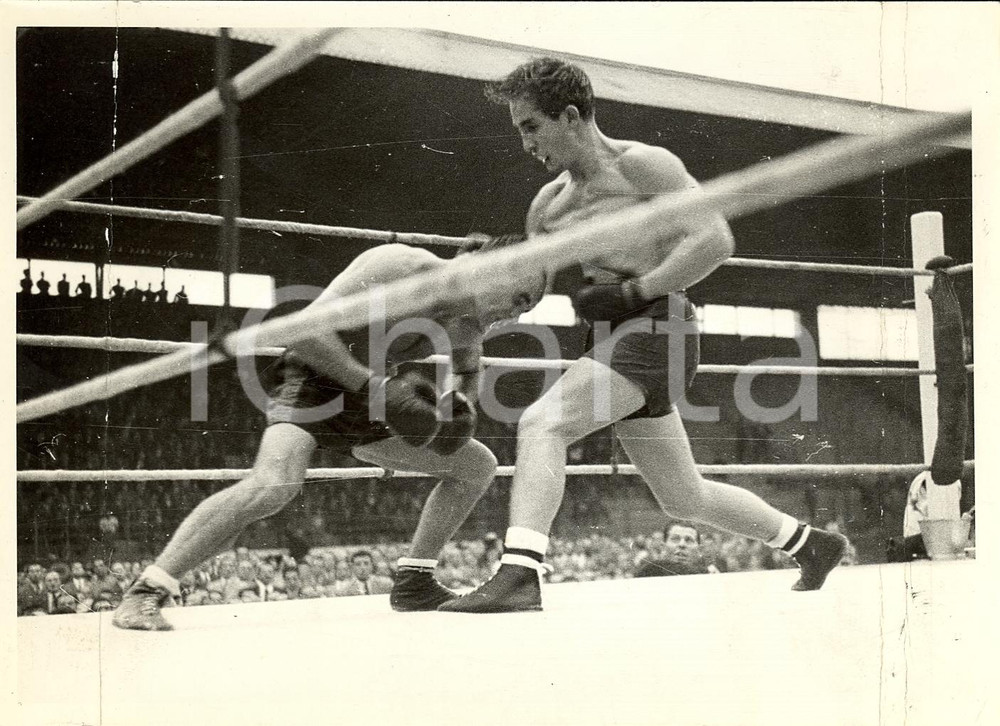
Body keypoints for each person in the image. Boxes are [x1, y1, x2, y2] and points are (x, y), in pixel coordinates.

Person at [440, 58, 847, 614]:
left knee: (544, 421)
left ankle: (521, 572)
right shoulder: (547, 206)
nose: (525, 142)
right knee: (683, 495)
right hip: (609, 339)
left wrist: (637, 290)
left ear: (570, 115)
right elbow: (527, 291)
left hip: (660, 325)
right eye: (518, 130)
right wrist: (475, 310)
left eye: (531, 126)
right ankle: (814, 544)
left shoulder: (644, 167)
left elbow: (714, 238)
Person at [112, 239, 545, 630]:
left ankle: (415, 580)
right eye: (520, 298)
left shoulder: (468, 322)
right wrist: (376, 390)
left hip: (372, 394)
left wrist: (460, 405)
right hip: (316, 376)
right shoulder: (401, 266)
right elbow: (306, 329)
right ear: (497, 266)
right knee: (272, 486)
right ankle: (147, 590)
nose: (517, 315)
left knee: (475, 465)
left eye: (527, 310)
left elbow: (469, 369)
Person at [634, 521, 711, 578]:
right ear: (663, 546)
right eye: (675, 539)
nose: (682, 544)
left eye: (689, 540)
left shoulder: (708, 576)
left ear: (699, 550)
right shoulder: (648, 572)